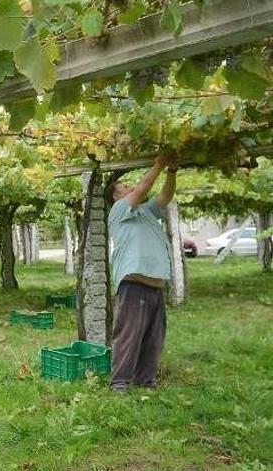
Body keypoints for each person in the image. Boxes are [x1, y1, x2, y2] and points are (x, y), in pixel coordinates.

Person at [105, 154, 178, 393]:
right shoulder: (118, 211)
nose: (130, 187)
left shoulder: (145, 212)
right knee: (128, 335)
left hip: (154, 285)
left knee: (154, 339)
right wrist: (159, 163)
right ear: (116, 197)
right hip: (134, 285)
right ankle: (119, 382)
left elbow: (165, 196)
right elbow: (142, 188)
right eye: (124, 187)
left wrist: (172, 171)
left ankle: (145, 381)